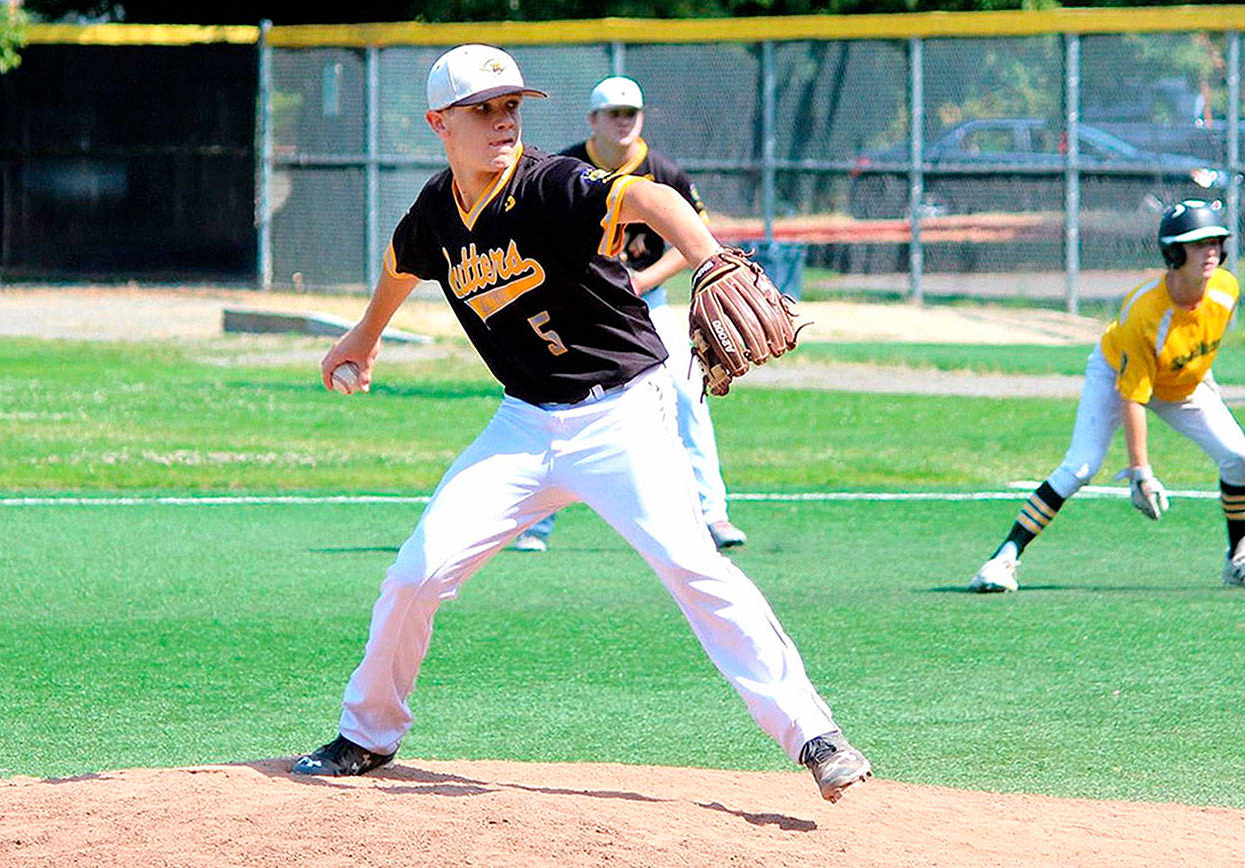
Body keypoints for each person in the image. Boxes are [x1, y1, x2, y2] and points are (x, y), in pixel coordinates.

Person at [291, 44, 871, 803]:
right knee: (416, 573)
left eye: (511, 107)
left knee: (691, 565)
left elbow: (651, 202)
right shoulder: (438, 209)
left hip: (622, 411)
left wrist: (707, 259)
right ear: (440, 122)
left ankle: (813, 734)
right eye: (482, 110)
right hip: (524, 424)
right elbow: (404, 262)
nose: (503, 123)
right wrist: (363, 338)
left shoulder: (550, 183)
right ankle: (367, 734)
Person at [511, 75, 747, 555]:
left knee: (687, 392)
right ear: (592, 120)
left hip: (646, 303)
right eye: (613, 113)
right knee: (552, 398)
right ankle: (533, 524)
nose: (623, 121)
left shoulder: (663, 171)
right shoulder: (562, 168)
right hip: (575, 308)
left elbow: (693, 237)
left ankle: (712, 514)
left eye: (631, 113)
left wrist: (642, 281)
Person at [970, 199, 1244, 593]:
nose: (1211, 251)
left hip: (1180, 383)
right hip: (1115, 371)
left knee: (1239, 457)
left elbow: (1201, 338)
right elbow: (1132, 395)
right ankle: (1002, 559)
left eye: (1216, 242)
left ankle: (1237, 558)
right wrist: (1140, 470)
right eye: (1198, 244)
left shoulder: (1226, 288)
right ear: (1174, 252)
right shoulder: (1144, 311)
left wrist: (1205, 380)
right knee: (1081, 466)